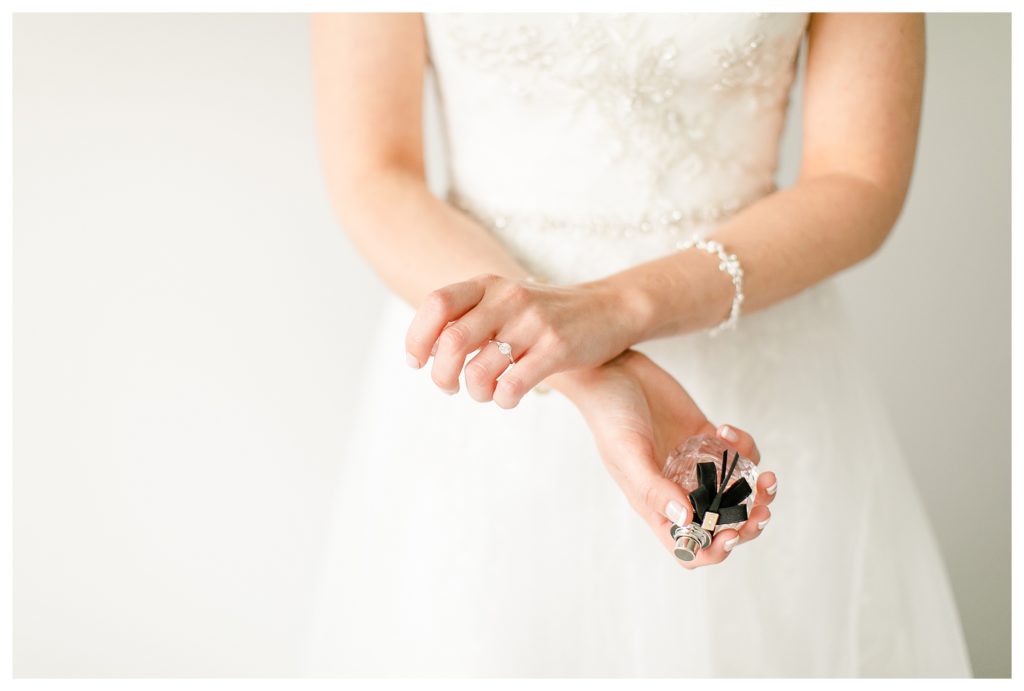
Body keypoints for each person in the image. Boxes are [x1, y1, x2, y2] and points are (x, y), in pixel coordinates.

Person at [297, 12, 973, 676]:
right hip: (480, 373)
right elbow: (374, 174)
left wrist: (616, 311)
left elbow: (861, 178)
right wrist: (580, 366)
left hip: (751, 360)